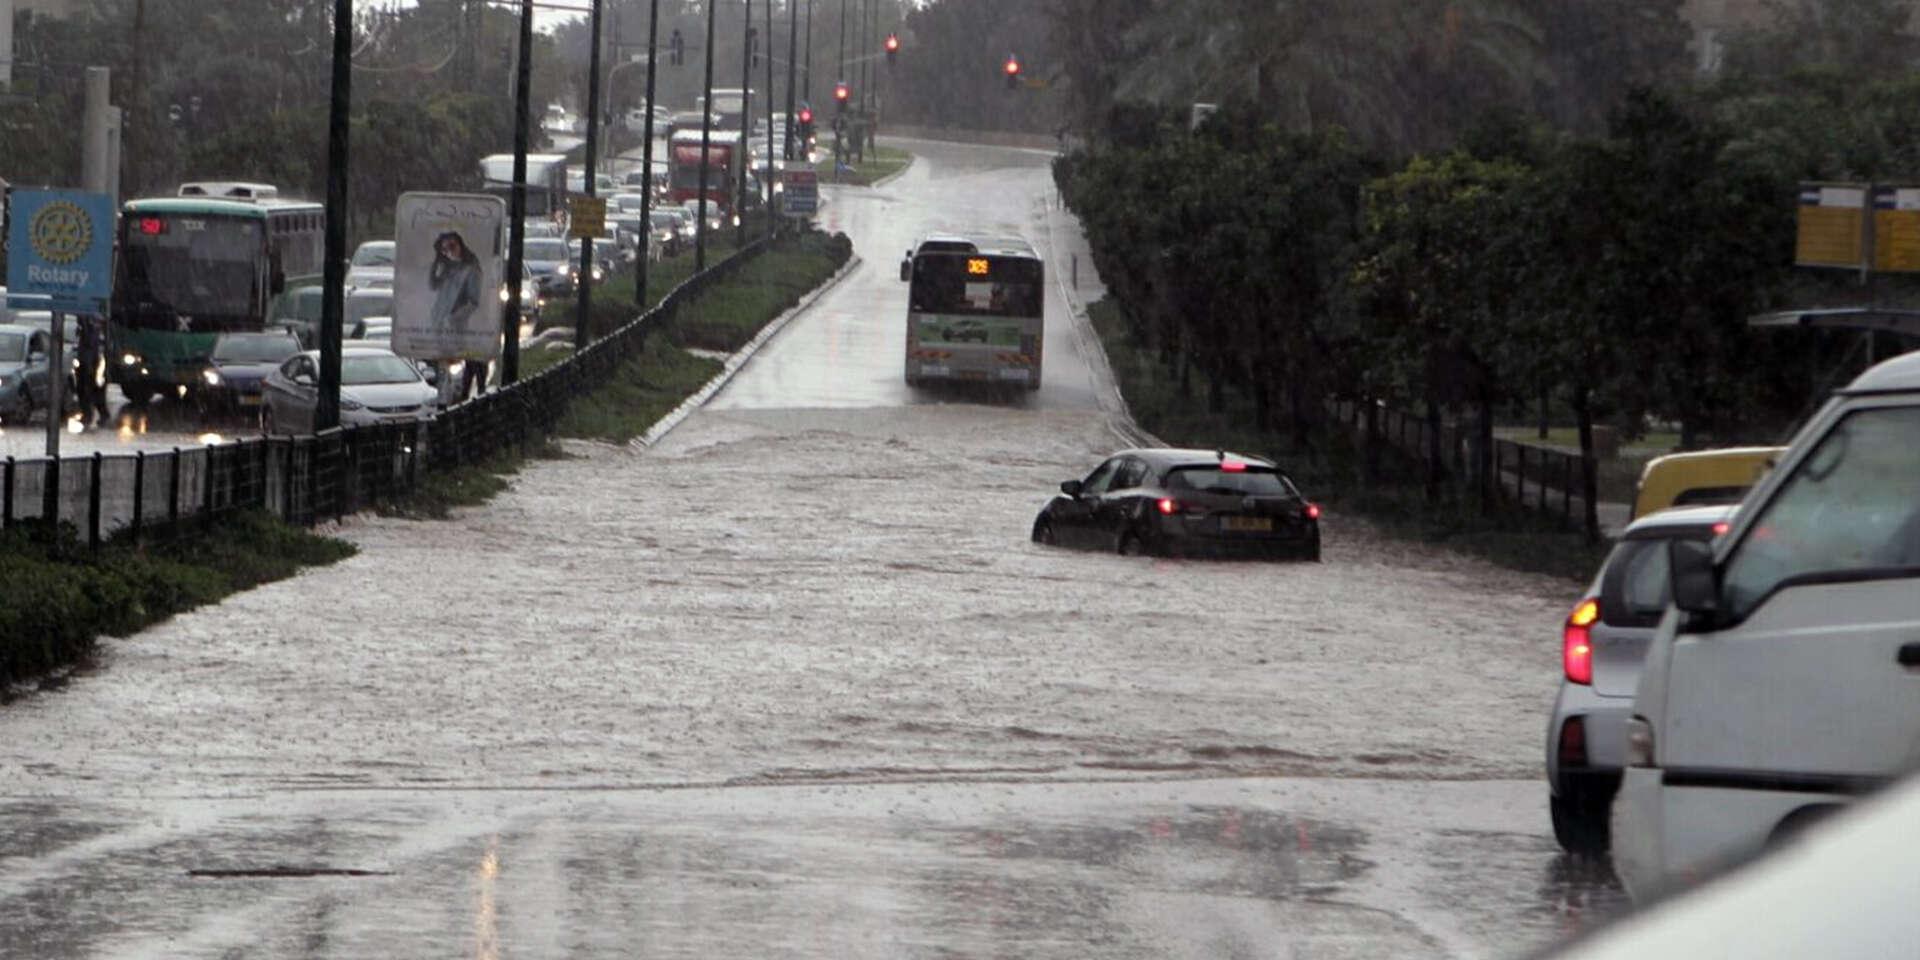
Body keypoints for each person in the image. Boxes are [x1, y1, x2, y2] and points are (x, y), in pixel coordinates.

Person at [427, 231, 482, 333]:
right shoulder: (447, 267)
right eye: (444, 250)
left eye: (452, 246)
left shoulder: (471, 269)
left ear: (460, 245)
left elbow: (473, 302)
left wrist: (452, 319)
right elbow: (433, 286)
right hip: (437, 322)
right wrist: (434, 266)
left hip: (455, 327)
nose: (449, 251)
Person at [74, 314, 109, 428]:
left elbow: (97, 347)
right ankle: (88, 415)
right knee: (82, 390)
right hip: (84, 362)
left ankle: (100, 414)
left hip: (95, 364)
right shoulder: (83, 329)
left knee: (95, 390)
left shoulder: (96, 328)